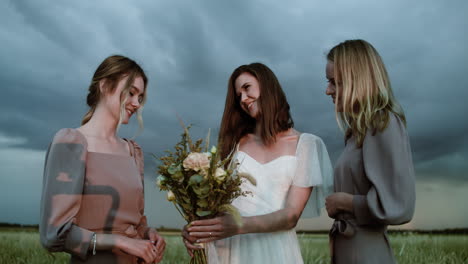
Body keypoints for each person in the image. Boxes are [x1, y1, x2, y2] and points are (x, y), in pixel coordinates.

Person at [182, 63, 333, 264]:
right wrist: (195, 227)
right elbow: (217, 206)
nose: (243, 99)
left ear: (267, 86)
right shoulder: (234, 144)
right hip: (228, 249)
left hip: (276, 251)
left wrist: (237, 225)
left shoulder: (306, 145)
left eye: (247, 88)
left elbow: (291, 215)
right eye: (238, 96)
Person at [40, 55, 165, 264]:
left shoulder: (133, 151)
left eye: (140, 97)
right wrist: (121, 242)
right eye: (131, 93)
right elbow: (53, 234)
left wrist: (148, 234)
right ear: (105, 86)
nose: (136, 104)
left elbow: (135, 220)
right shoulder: (71, 143)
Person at [324, 39, 415, 264]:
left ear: (359, 80)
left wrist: (345, 202)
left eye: (336, 82)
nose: (328, 90)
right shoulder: (357, 132)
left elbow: (399, 205)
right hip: (349, 250)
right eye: (329, 82)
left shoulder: (383, 123)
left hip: (365, 254)